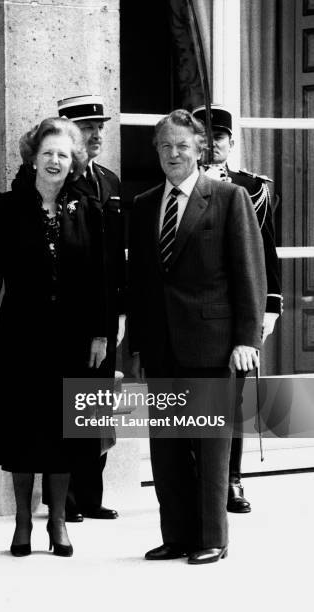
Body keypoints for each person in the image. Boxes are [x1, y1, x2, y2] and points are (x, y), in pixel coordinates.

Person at [128, 109, 266, 564]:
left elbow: (250, 274)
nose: (173, 154)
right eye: (165, 146)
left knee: (210, 451)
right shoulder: (145, 203)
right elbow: (142, 281)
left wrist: (248, 339)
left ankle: (212, 538)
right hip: (162, 346)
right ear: (157, 151)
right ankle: (179, 535)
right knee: (167, 450)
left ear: (200, 149)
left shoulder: (229, 198)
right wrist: (137, 344)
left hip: (214, 345)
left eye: (182, 146)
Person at [0, 117, 108, 557]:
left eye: (63, 155)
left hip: (71, 340)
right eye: (48, 152)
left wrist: (101, 334)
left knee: (64, 433)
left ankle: (59, 524)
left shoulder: (89, 210)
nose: (54, 161)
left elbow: (101, 280)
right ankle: (22, 523)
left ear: (74, 163)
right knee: (23, 431)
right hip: (20, 338)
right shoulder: (5, 206)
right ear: (33, 158)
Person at [192, 104, 283, 513]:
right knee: (193, 397)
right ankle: (196, 479)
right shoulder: (182, 185)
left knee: (232, 400)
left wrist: (268, 309)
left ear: (231, 141)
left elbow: (266, 253)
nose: (213, 144)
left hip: (238, 311)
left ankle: (231, 481)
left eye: (220, 138)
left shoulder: (253, 189)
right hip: (194, 311)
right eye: (206, 137)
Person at [47, 94, 126, 521]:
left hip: (105, 312)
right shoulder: (54, 181)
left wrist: (120, 312)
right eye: (87, 128)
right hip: (68, 314)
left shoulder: (110, 181)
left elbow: (117, 256)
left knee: (98, 400)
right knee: (66, 401)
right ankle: (64, 498)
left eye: (100, 127)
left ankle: (91, 495)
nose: (97, 135)